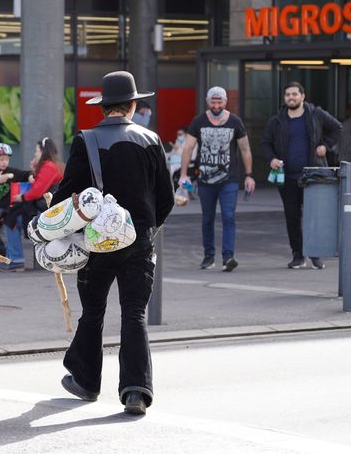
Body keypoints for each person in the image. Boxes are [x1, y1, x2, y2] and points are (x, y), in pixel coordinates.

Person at [52, 71, 173, 415]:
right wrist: (147, 229)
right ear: (133, 105)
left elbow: (65, 195)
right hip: (138, 242)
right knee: (135, 313)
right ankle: (136, 391)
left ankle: (86, 381)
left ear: (103, 107)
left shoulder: (86, 140)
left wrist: (50, 220)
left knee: (93, 311)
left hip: (95, 243)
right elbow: (165, 197)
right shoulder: (151, 140)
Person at [259, 82, 343, 270]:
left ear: (302, 96)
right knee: (292, 216)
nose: (291, 97)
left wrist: (326, 146)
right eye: (288, 94)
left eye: (295, 94)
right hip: (287, 177)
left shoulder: (316, 114)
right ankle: (298, 255)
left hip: (313, 176)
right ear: (284, 98)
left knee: (314, 216)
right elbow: (265, 144)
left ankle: (315, 254)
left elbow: (338, 128)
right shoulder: (277, 120)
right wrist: (271, 159)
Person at [179, 86, 255, 272]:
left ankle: (228, 257)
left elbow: (245, 149)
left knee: (229, 217)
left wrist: (249, 175)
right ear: (207, 101)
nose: (216, 105)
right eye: (213, 101)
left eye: (219, 101)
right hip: (205, 180)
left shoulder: (235, 122)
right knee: (207, 219)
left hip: (229, 179)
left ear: (225, 101)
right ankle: (208, 257)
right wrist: (183, 174)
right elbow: (188, 147)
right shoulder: (199, 121)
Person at [0, 137, 63, 273]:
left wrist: (22, 197)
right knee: (12, 217)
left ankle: (15, 260)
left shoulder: (49, 166)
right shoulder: (54, 165)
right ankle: (13, 258)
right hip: (51, 209)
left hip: (46, 211)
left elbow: (37, 191)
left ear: (43, 151)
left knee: (12, 221)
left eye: (36, 151)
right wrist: (34, 166)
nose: (35, 154)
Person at [0, 142, 32, 260]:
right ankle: (2, 254)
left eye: (6, 159)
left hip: (5, 209)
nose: (4, 162)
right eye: (1, 159)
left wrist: (30, 176)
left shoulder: (12, 172)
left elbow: (26, 174)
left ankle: (2, 255)